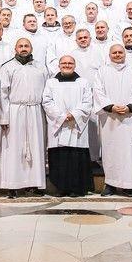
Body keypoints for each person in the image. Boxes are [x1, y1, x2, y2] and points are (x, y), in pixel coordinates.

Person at [93, 44, 132, 196]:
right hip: (110, 119)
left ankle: (129, 185)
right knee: (111, 151)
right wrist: (110, 107)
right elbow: (97, 91)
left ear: (125, 54)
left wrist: (130, 107)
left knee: (130, 152)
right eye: (114, 52)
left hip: (130, 118)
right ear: (109, 55)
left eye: (120, 52)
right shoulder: (102, 71)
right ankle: (110, 184)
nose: (117, 55)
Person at [0, 38, 49, 198]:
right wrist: (4, 118)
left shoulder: (40, 67)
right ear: (15, 48)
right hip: (14, 112)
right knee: (13, 149)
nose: (24, 48)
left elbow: (47, 91)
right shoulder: (7, 67)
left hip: (35, 111)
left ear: (31, 48)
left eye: (26, 46)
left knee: (36, 147)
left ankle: (35, 184)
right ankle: (12, 185)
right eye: (20, 46)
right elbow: (2, 94)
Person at [42, 55, 94, 197]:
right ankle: (60, 188)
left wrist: (74, 114)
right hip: (58, 125)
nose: (67, 65)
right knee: (60, 156)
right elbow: (47, 101)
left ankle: (77, 189)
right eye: (64, 63)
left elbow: (88, 102)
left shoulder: (83, 82)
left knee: (76, 156)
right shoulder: (51, 82)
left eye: (70, 63)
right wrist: (61, 116)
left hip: (76, 126)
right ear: (59, 66)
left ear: (75, 65)